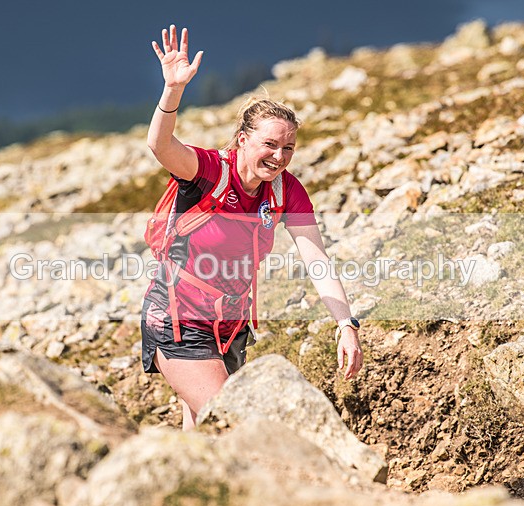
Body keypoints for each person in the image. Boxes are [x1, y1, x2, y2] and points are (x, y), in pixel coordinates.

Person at [143, 24, 363, 430]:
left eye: (289, 148)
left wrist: (345, 324)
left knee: (206, 443)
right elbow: (161, 146)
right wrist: (172, 90)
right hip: (178, 317)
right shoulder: (209, 170)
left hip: (231, 327)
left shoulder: (286, 191)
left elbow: (317, 259)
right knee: (234, 424)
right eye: (270, 145)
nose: (279, 157)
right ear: (243, 139)